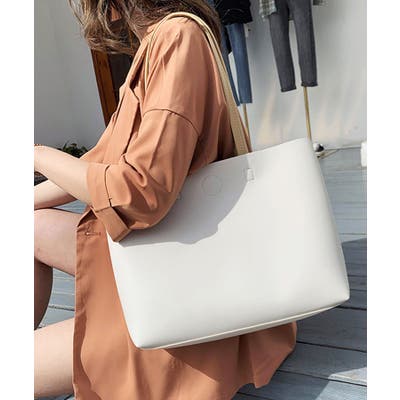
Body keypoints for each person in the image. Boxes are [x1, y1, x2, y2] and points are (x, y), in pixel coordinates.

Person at [34, 1, 297, 398]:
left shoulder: (177, 38)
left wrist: (38, 155)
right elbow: (99, 160)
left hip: (185, 293)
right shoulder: (158, 43)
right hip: (169, 257)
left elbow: (140, 192)